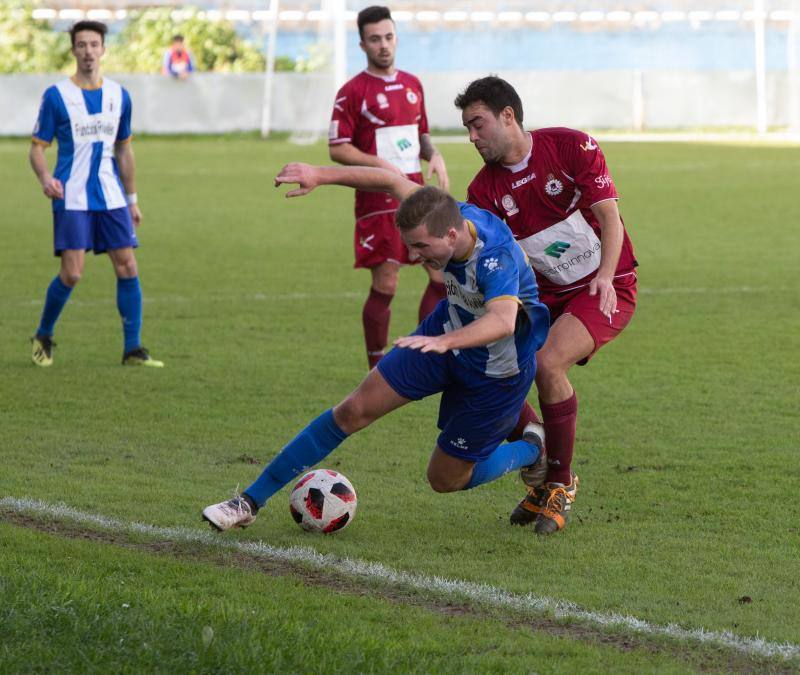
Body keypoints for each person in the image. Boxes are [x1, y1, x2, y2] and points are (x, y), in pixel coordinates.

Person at [202, 163, 550, 532]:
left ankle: (533, 447)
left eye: (421, 247)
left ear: (451, 235)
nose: (416, 256)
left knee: (445, 478)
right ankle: (248, 502)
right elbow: (388, 180)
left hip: (497, 371)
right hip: (443, 336)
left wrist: (444, 341)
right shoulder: (440, 211)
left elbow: (502, 321)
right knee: (353, 409)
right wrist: (320, 175)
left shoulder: (495, 256)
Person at [454, 76, 638, 535]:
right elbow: (492, 260)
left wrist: (604, 277)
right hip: (542, 297)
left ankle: (559, 483)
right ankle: (538, 447)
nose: (472, 138)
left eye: (478, 125)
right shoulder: (483, 192)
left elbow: (609, 218)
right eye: (467, 129)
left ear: (508, 116)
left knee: (548, 364)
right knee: (484, 365)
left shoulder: (571, 147)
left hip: (605, 285)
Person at [29, 21, 163, 368]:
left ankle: (132, 348)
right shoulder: (57, 96)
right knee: (72, 273)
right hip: (70, 195)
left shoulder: (120, 96)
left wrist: (132, 200)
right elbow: (37, 149)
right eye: (82, 45)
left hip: (111, 195)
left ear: (103, 49)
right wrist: (45, 177)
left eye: (94, 44)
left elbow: (124, 151)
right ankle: (43, 334)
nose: (88, 51)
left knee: (128, 265)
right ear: (73, 50)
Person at [328, 6, 450, 370]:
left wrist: (435, 154)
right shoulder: (352, 91)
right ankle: (377, 365)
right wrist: (377, 164)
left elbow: (420, 133)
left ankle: (423, 352)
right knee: (387, 280)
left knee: (441, 274)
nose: (383, 45)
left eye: (389, 37)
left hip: (416, 195)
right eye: (375, 39)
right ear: (362, 44)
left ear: (396, 37)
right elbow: (337, 147)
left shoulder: (413, 84)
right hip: (377, 201)